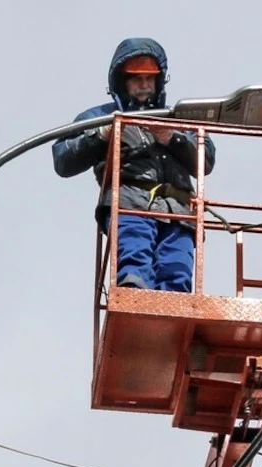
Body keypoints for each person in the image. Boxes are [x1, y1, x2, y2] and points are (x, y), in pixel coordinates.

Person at [52, 37, 216, 292]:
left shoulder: (179, 117)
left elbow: (205, 161)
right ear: (123, 81)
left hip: (179, 211)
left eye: (149, 79)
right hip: (130, 204)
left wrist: (172, 138)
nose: (144, 85)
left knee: (178, 273)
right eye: (136, 78)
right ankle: (134, 298)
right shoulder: (98, 117)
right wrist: (103, 133)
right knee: (134, 263)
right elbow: (63, 159)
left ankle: (171, 318)